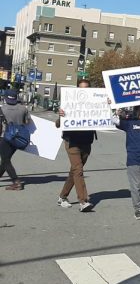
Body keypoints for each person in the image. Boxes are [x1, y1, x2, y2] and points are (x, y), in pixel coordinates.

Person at [55, 78, 96, 211]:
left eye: (86, 89)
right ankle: (83, 201)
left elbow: (104, 118)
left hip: (86, 142)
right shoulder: (69, 103)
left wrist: (106, 106)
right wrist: (61, 116)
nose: (84, 91)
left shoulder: (95, 104)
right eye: (81, 89)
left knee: (74, 171)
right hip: (72, 141)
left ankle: (62, 197)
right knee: (78, 170)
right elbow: (57, 124)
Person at [0, 90, 31, 190]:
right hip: (18, 139)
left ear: (5, 98)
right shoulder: (23, 109)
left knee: (5, 160)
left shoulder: (2, 109)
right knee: (6, 159)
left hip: (5, 138)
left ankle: (16, 182)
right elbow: (28, 122)